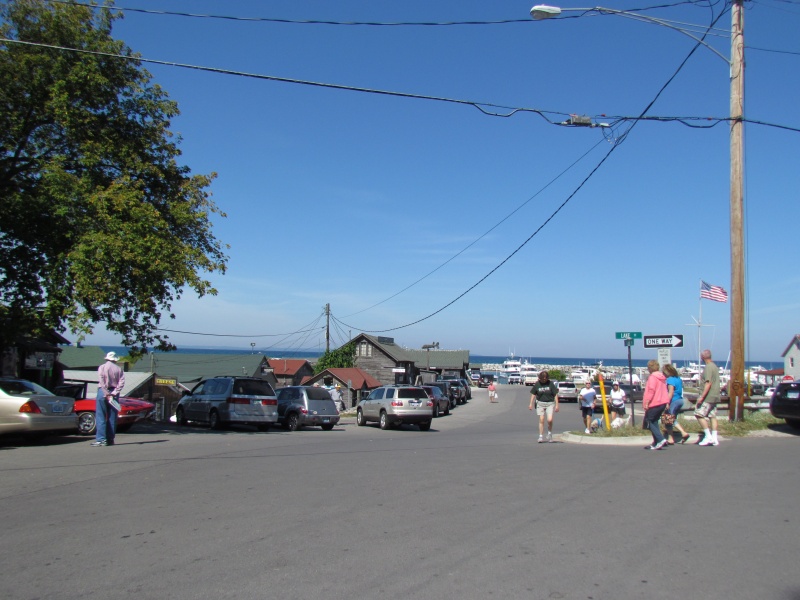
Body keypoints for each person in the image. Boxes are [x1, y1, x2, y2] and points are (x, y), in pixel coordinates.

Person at [92, 351, 125, 447]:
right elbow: (121, 382)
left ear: (107, 358)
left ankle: (101, 439)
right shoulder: (119, 369)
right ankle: (110, 439)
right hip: (114, 392)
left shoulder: (102, 367)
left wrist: (106, 393)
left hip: (102, 391)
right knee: (112, 416)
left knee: (100, 415)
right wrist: (114, 392)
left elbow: (101, 381)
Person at [642, 359, 670, 450]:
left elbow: (651, 390)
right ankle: (656, 442)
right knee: (654, 422)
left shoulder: (653, 377)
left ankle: (661, 439)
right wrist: (667, 402)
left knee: (649, 421)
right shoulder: (662, 377)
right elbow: (665, 390)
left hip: (654, 403)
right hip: (662, 403)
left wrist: (647, 402)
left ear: (650, 368)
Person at [695, 349, 721, 446]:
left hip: (708, 396)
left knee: (698, 414)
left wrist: (702, 397)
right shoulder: (714, 366)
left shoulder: (708, 367)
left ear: (703, 357)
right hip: (715, 395)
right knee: (712, 416)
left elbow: (708, 383)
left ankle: (708, 436)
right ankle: (714, 437)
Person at [662, 363, 690, 444]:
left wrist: (667, 402)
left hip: (673, 401)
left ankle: (683, 433)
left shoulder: (670, 380)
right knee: (668, 421)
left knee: (669, 418)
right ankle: (670, 438)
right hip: (679, 400)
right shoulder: (678, 378)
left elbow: (670, 392)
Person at [529, 370, 559, 443]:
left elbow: (555, 394)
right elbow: (533, 394)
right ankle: (540, 436)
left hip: (550, 403)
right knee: (541, 419)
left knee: (550, 419)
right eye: (543, 378)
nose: (544, 379)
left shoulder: (550, 384)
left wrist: (557, 405)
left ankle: (549, 434)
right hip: (540, 403)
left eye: (545, 378)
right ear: (540, 378)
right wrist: (530, 404)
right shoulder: (537, 384)